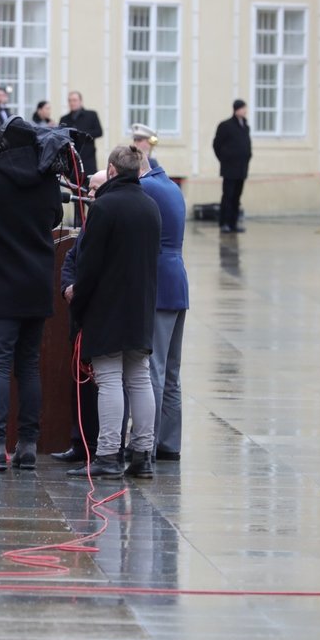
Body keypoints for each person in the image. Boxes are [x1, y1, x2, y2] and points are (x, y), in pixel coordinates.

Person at [0, 120, 64, 470]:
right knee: (28, 364)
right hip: (35, 286)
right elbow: (56, 216)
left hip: (0, 286)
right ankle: (28, 443)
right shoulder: (47, 179)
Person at [71, 145, 162, 480]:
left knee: (109, 378)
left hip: (107, 307)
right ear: (138, 171)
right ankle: (143, 454)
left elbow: (89, 266)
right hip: (140, 307)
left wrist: (78, 306)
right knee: (139, 378)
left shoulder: (104, 207)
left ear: (110, 171)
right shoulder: (150, 206)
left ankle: (108, 454)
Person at [55, 169, 108, 469]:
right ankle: (79, 442)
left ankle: (97, 446)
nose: (87, 195)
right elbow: (72, 258)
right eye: (87, 190)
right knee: (79, 382)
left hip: (96, 313)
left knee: (98, 383)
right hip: (78, 309)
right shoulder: (90, 221)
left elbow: (96, 268)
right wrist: (66, 287)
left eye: (93, 190)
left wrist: (79, 289)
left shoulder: (105, 218)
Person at [138, 151, 189, 462]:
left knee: (152, 369)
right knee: (171, 371)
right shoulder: (170, 185)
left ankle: (148, 443)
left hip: (159, 283)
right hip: (178, 282)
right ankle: (169, 443)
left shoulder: (147, 188)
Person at [213, 99, 252, 234]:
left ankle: (233, 223)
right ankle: (224, 223)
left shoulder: (245, 126)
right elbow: (217, 145)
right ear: (237, 109)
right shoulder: (226, 125)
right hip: (230, 168)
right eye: (243, 108)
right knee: (228, 196)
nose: (245, 111)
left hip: (242, 168)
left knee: (237, 196)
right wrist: (224, 159)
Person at [59, 91, 104, 174]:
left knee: (88, 184)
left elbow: (99, 132)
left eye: (74, 100)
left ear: (80, 101)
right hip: (71, 160)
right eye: (70, 100)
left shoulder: (91, 115)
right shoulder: (64, 119)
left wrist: (82, 134)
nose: (72, 103)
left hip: (87, 158)